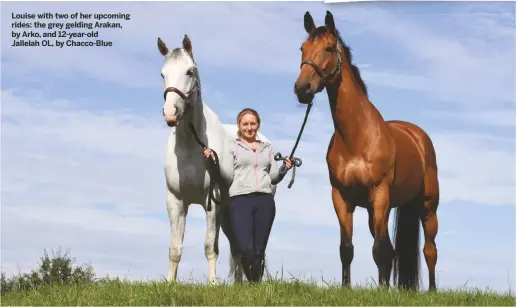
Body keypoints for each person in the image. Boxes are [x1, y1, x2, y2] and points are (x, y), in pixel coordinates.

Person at [203, 108, 292, 282]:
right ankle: (252, 282)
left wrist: (284, 169)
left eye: (253, 124)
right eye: (245, 124)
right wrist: (213, 161)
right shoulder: (232, 147)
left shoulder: (268, 148)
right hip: (240, 201)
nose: (249, 128)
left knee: (259, 250)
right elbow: (227, 175)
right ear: (239, 125)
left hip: (265, 201)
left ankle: (254, 287)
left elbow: (273, 178)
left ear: (258, 125)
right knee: (246, 249)